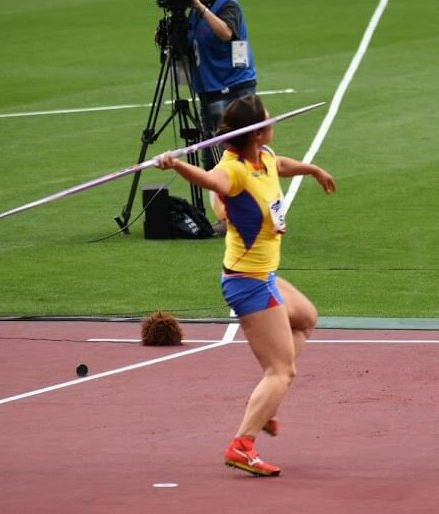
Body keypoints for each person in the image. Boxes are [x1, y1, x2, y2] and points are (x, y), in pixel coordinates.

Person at [154, 94, 336, 476]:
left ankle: (266, 402)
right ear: (255, 133)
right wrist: (176, 164)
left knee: (305, 319)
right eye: (269, 120)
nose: (274, 123)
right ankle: (243, 444)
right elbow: (210, 180)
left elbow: (280, 166)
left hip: (264, 275)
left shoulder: (263, 157)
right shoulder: (233, 170)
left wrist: (312, 169)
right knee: (282, 372)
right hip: (247, 283)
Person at [187, 0, 258, 233]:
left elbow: (226, 33)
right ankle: (228, 216)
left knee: (236, 154)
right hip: (209, 90)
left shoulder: (228, 6)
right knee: (213, 158)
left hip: (234, 87)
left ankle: (242, 213)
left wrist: (200, 8)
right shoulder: (192, 15)